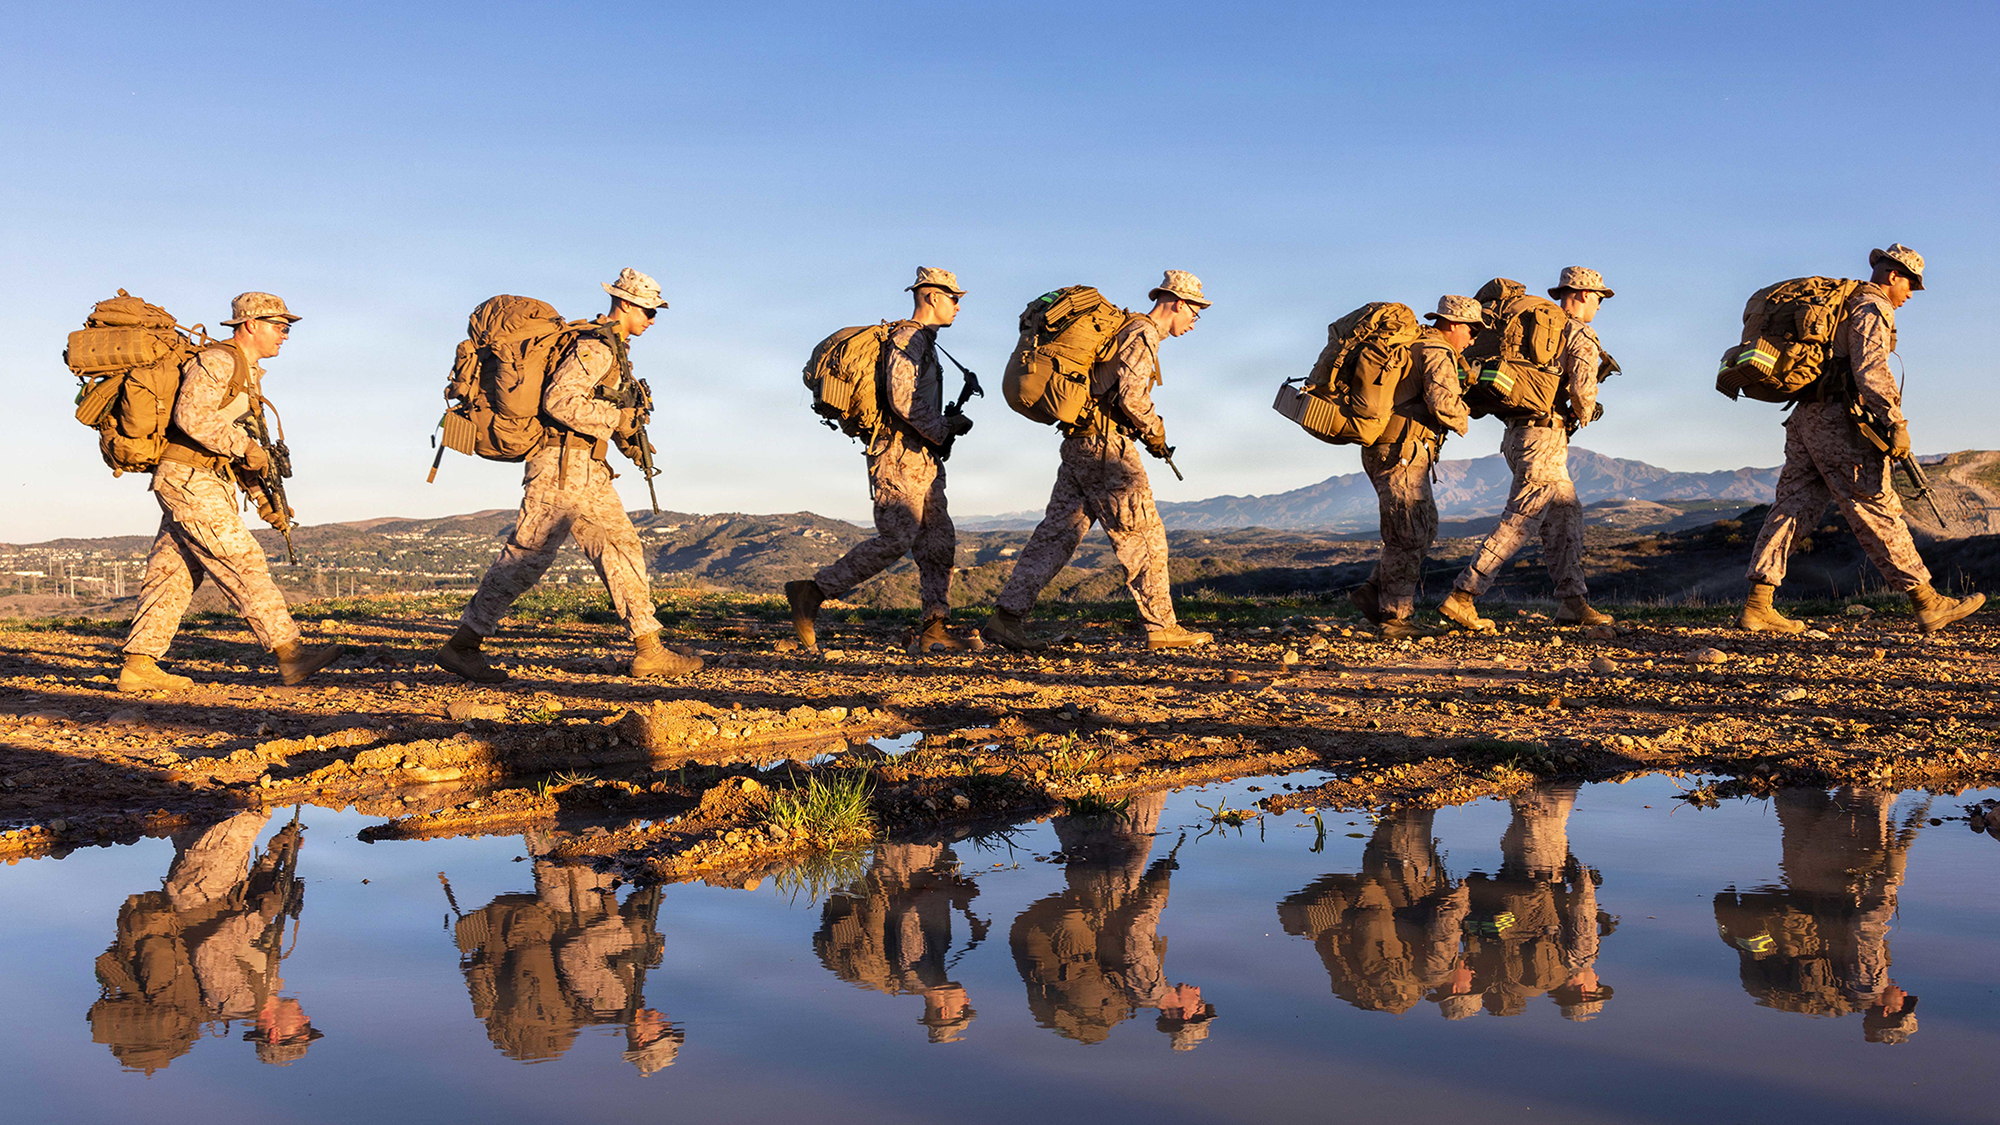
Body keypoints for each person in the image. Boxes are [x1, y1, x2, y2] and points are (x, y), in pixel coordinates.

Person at [436, 268, 701, 682]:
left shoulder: (612, 347)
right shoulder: (595, 347)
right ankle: (463, 645)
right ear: (626, 304)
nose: (652, 319)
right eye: (649, 310)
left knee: (621, 547)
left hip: (586, 467)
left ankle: (648, 648)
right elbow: (559, 401)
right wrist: (618, 418)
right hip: (560, 466)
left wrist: (631, 441)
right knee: (527, 556)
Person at [1738, 244, 1982, 634]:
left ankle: (1758, 605)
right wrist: (1895, 421)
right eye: (1910, 287)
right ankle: (1927, 601)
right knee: (1874, 505)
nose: (1908, 297)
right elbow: (1871, 368)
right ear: (1893, 276)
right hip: (1839, 421)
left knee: (1792, 507)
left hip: (1806, 417)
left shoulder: (1843, 303)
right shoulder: (1872, 305)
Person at [116, 292, 343, 692]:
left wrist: (263, 499)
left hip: (202, 478)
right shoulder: (219, 361)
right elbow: (192, 416)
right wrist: (246, 448)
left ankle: (139, 665)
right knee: (243, 559)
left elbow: (240, 446)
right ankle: (289, 654)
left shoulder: (247, 373)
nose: (285, 335)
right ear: (251, 324)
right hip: (189, 477)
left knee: (173, 573)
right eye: (280, 326)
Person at [982, 271, 1214, 652]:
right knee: (1145, 537)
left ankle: (1006, 619)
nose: (1195, 321)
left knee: (1056, 535)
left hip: (1079, 444)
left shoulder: (1124, 329)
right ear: (1177, 303)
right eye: (1196, 312)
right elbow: (1132, 398)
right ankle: (1162, 628)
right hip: (1108, 450)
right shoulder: (1141, 333)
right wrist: (1157, 432)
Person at [788, 268, 977, 654]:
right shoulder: (909, 338)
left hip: (921, 454)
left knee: (939, 539)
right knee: (898, 537)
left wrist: (943, 429)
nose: (958, 305)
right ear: (931, 297)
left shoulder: (926, 342)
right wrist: (944, 428)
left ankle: (934, 626)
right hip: (897, 452)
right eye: (953, 298)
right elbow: (901, 399)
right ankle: (814, 591)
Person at [1439, 267, 1616, 633]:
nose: (1599, 306)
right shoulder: (1578, 331)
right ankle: (1464, 595)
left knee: (1566, 516)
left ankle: (1572, 601)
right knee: (1520, 520)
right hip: (1544, 438)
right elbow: (1583, 388)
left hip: (1518, 436)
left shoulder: (1535, 329)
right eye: (1599, 298)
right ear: (1583, 294)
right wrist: (1585, 412)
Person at [88, 811, 321, 1072]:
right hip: (218, 887)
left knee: (244, 809)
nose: (307, 1019)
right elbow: (249, 921)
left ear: (275, 1035)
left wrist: (260, 917)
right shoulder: (268, 987)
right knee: (205, 809)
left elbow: (209, 950)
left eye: (302, 1028)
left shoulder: (236, 1002)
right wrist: (274, 858)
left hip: (202, 892)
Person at [1712, 787, 1924, 1043]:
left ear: (1887, 1010)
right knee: (1796, 790)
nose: (1904, 993)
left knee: (1867, 790)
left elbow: (1866, 927)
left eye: (1904, 1003)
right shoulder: (1837, 996)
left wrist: (1891, 879)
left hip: (1833, 873)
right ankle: (1790, 770)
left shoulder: (1869, 984)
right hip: (1802, 886)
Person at [1010, 793, 1216, 1049]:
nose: (1197, 990)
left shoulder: (1149, 987)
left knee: (1128, 838)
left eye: (1198, 1001)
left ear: (1185, 1014)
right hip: (1076, 914)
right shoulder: (1139, 997)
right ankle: (1067, 800)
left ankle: (1065, 798)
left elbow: (1134, 932)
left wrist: (1157, 892)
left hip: (1094, 897)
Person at [1349, 296, 1477, 640]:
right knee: (1408, 533)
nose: (1473, 338)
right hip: (1403, 450)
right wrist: (1466, 417)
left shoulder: (1411, 345)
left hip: (1388, 447)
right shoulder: (1436, 350)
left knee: (1424, 526)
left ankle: (1374, 591)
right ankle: (1396, 617)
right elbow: (1444, 404)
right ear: (1452, 324)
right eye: (1471, 329)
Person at [812, 841, 982, 1043]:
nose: (967, 1001)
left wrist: (950, 889)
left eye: (963, 1009)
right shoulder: (923, 975)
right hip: (894, 874)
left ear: (943, 1012)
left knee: (919, 830)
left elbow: (909, 917)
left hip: (904, 865)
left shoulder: (922, 971)